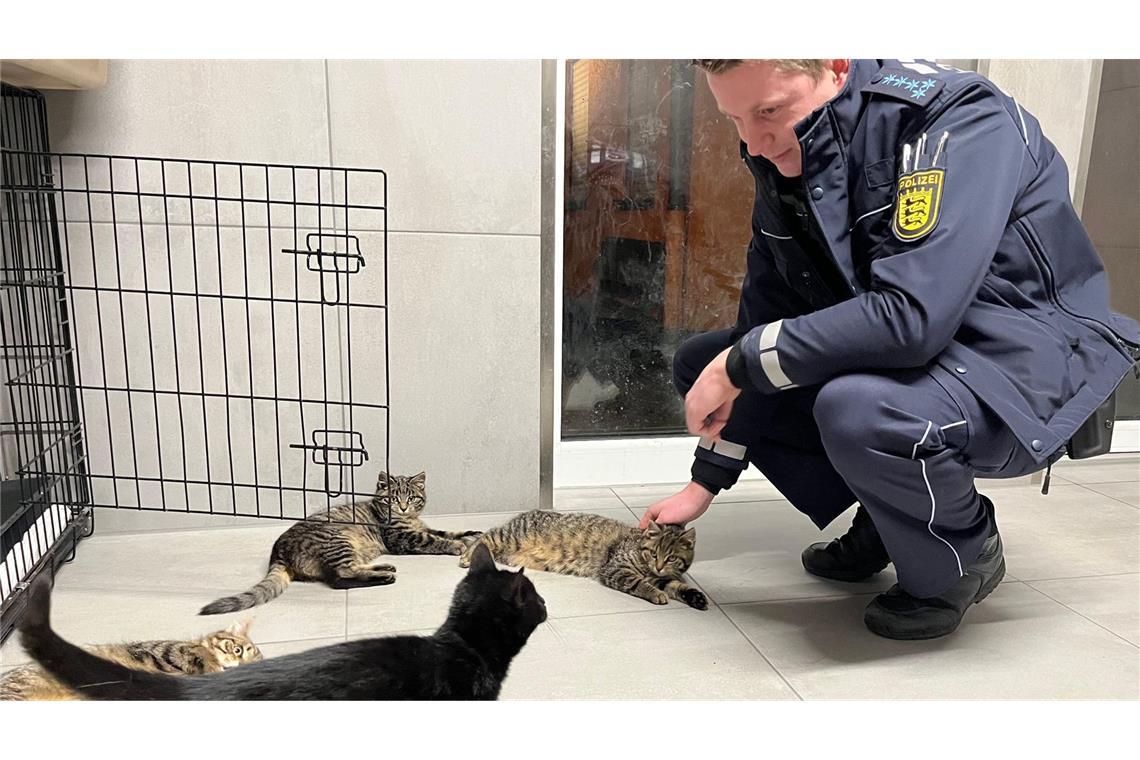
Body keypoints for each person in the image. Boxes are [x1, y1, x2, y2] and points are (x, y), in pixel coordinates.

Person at [638, 59, 1140, 640]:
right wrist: (706, 481)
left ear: (833, 64)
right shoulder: (785, 155)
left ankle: (962, 553)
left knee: (854, 406)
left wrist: (742, 363)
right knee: (708, 361)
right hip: (922, 359)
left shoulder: (955, 119)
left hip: (1019, 363)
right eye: (735, 118)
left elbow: (912, 318)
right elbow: (765, 315)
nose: (753, 140)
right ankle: (891, 515)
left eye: (769, 110)